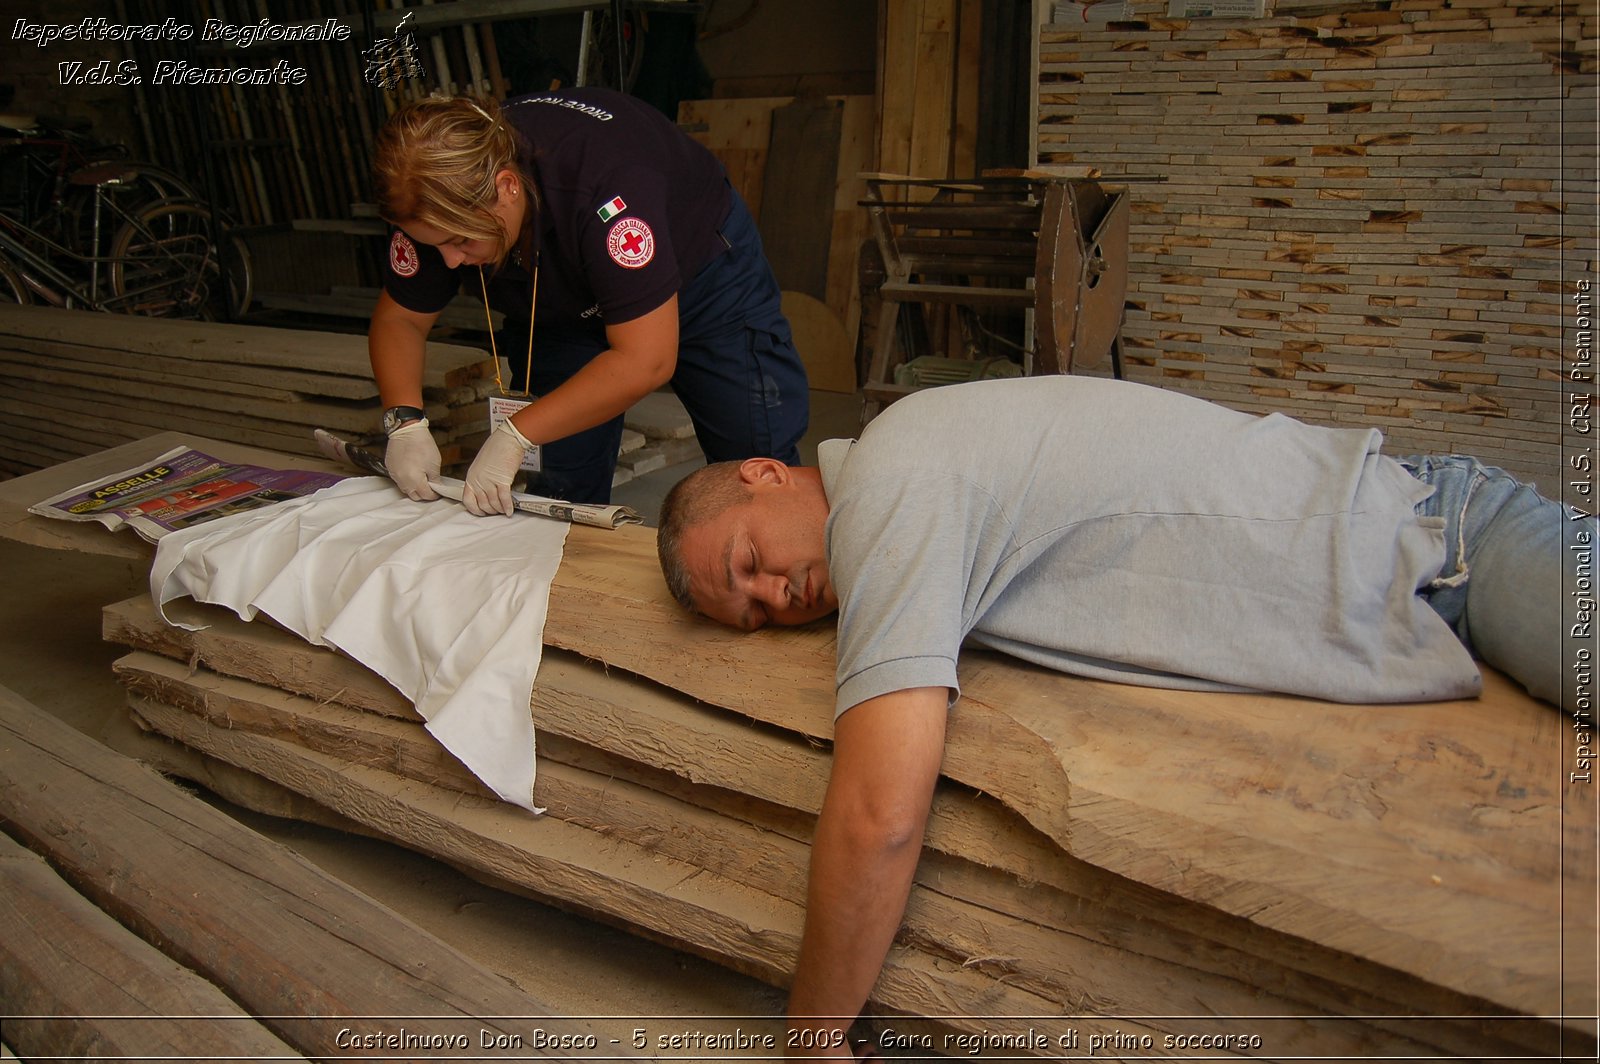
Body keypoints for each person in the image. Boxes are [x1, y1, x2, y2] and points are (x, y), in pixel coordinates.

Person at [654, 375, 1588, 1059]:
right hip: (1420, 580)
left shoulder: (892, 484)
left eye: (750, 563)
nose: (778, 593)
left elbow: (879, 815)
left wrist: (812, 1038)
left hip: (1447, 542)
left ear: (768, 474)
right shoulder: (910, 488)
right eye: (758, 613)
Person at [368, 88, 809, 511]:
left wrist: (514, 435)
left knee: (754, 465)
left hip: (701, 279)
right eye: (434, 245)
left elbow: (646, 360)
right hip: (561, 301)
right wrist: (404, 422)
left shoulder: (610, 191)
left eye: (460, 240)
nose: (448, 262)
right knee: (562, 484)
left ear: (507, 187)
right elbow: (400, 320)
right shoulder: (434, 199)